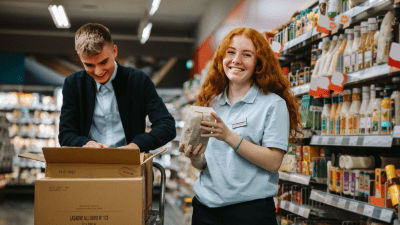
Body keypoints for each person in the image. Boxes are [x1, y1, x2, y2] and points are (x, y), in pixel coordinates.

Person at [178, 27, 302, 225]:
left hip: (249, 212)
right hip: (205, 208)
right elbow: (206, 164)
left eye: (247, 55)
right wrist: (195, 158)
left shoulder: (272, 104)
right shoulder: (212, 104)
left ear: (258, 63)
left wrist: (228, 135)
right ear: (221, 58)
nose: (236, 60)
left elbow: (273, 162)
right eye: (231, 52)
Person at [59, 23, 176, 152]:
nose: (98, 72)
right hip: (88, 165)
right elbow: (65, 134)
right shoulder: (73, 84)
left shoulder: (139, 80)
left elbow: (167, 126)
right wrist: (85, 143)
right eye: (89, 65)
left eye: (103, 62)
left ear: (114, 51)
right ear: (79, 57)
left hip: (131, 165)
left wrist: (136, 145)